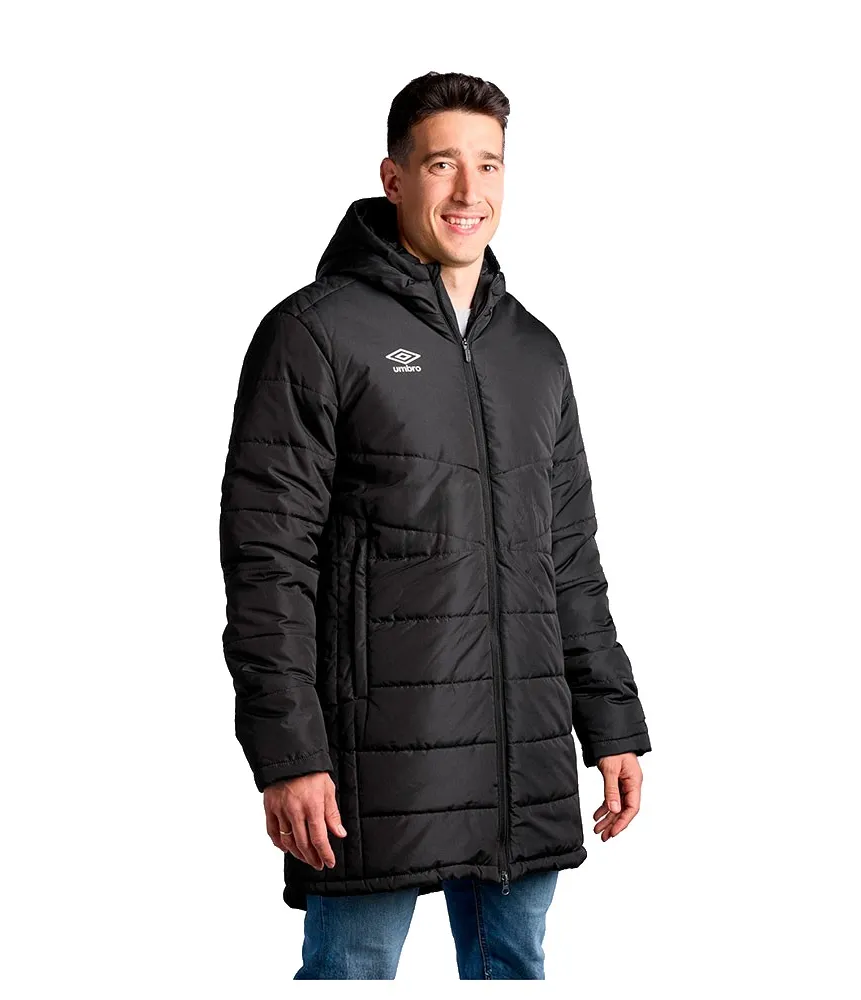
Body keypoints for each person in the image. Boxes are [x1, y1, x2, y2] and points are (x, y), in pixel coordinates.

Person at [218, 70, 652, 980]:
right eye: (442, 163)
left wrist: (611, 721)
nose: (469, 191)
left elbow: (570, 557)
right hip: (373, 765)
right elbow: (268, 562)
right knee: (352, 974)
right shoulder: (315, 334)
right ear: (394, 177)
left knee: (513, 971)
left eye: (488, 165)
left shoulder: (534, 351)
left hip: (520, 757)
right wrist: (288, 755)